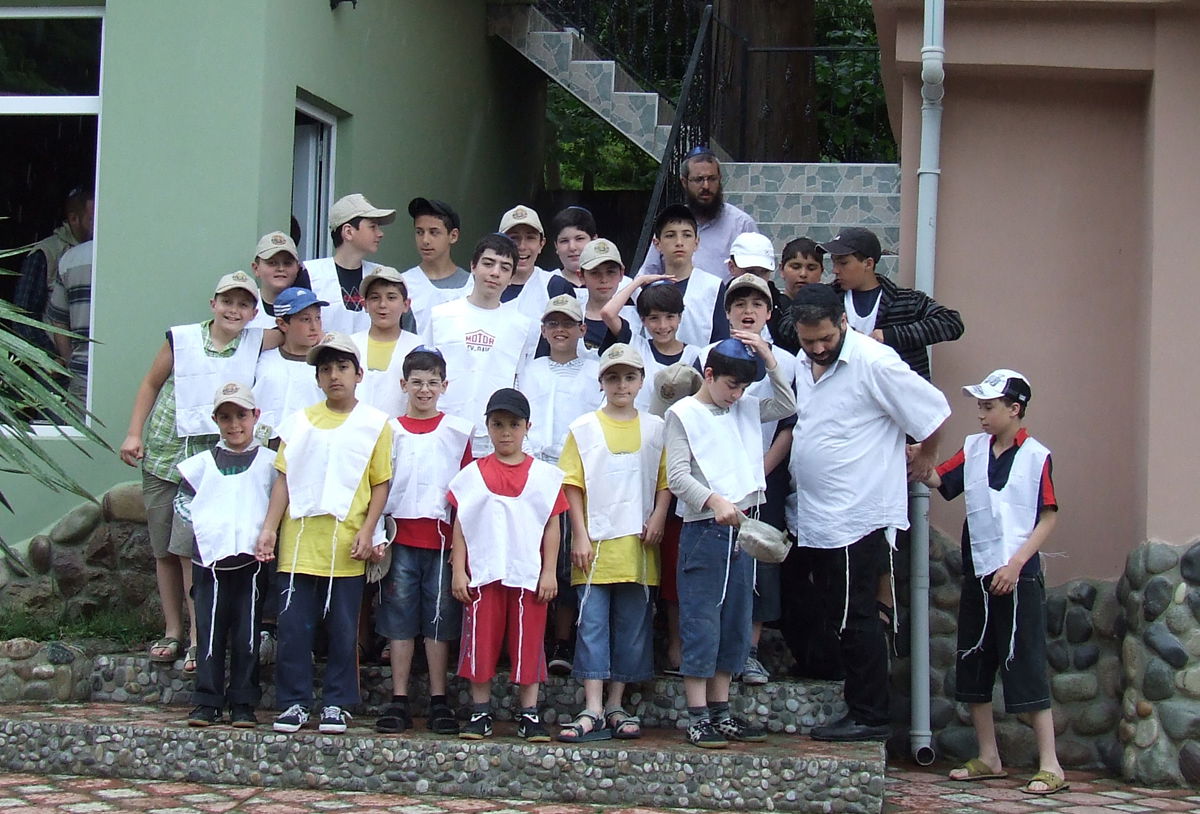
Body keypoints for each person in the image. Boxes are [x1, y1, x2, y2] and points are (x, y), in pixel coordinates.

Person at [787, 284, 950, 742]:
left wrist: (925, 457)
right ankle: (850, 698)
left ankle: (870, 715)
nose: (818, 348)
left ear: (844, 322)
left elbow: (934, 411)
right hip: (816, 513)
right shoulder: (805, 360)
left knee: (855, 615)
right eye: (808, 340)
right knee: (827, 609)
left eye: (825, 339)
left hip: (856, 512)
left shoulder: (874, 362)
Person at [119, 271, 277, 675]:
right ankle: (172, 629)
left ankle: (196, 638)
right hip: (165, 455)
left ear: (253, 311)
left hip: (211, 464)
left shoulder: (255, 341)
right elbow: (151, 383)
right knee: (163, 550)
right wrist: (134, 433)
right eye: (228, 301)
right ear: (213, 303)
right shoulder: (182, 338)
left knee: (195, 548)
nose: (234, 310)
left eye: (244, 304)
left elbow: (293, 334)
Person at [918, 370, 1066, 796]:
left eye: (989, 407)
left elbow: (1048, 514)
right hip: (978, 570)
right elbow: (939, 479)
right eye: (980, 407)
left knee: (1025, 662)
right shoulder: (973, 449)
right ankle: (989, 755)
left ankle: (1050, 763)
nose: (981, 415)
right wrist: (915, 458)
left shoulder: (1038, 455)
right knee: (975, 659)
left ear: (1013, 408)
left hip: (1019, 576)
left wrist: (1017, 563)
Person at [255, 331, 394, 735]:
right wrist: (269, 528)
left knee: (343, 629)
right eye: (327, 369)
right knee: (294, 628)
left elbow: (381, 482)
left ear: (359, 374)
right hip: (299, 545)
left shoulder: (374, 424)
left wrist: (369, 531)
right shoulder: (297, 424)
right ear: (317, 378)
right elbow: (283, 479)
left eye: (343, 367)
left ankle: (337, 702)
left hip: (345, 546)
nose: (335, 376)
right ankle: (294, 701)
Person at [665, 333, 796, 748]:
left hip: (745, 528)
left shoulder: (744, 407)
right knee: (702, 620)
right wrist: (713, 498)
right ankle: (698, 713)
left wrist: (767, 357)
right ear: (709, 374)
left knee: (735, 621)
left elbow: (788, 406)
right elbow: (678, 476)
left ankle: (722, 709)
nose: (736, 394)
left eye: (742, 387)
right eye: (730, 385)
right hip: (705, 529)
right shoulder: (683, 413)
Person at [556, 344, 670, 743]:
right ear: (601, 381)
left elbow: (665, 480)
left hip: (639, 545)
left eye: (629, 377)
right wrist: (580, 535)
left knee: (632, 626)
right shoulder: (583, 427)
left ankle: (617, 702)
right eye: (612, 377)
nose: (621, 385)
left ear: (641, 381)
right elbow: (571, 484)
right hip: (595, 545)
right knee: (591, 624)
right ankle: (591, 705)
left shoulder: (657, 427)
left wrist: (658, 515)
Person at [449, 388, 567, 742]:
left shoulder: (544, 476)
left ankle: (529, 713)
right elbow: (461, 523)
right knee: (480, 642)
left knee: (528, 642)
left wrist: (548, 571)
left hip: (527, 573)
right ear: (487, 426)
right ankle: (480, 710)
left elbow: (552, 524)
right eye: (498, 424)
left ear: (527, 427)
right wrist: (459, 569)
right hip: (484, 573)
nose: (505, 432)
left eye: (514, 424)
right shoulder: (472, 474)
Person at [700, 274, 799, 686]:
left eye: (757, 304)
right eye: (739, 303)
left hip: (763, 477)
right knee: (715, 563)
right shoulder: (706, 356)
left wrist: (760, 469)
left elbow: (789, 422)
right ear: (726, 312)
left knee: (760, 561)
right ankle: (710, 653)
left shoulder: (787, 362)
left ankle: (751, 651)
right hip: (715, 483)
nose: (747, 311)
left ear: (770, 312)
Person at [375, 346, 474, 736]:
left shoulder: (457, 431)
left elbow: (466, 493)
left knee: (438, 619)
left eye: (432, 382)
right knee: (399, 617)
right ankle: (398, 698)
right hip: (399, 538)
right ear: (403, 384)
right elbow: (379, 484)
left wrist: (460, 554)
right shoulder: (389, 430)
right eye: (416, 382)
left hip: (442, 541)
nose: (424, 389)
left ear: (444, 386)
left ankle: (438, 698)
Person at [176, 382, 276, 728]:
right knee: (210, 630)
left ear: (255, 417)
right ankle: (207, 699)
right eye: (227, 417)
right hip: (210, 561)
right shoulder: (201, 464)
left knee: (248, 632)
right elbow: (183, 502)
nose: (235, 425)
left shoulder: (269, 464)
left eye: (242, 416)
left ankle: (244, 702)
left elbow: (279, 505)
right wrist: (208, 526)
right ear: (216, 420)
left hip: (251, 561)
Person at [518, 295, 604, 675]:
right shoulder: (531, 370)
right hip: (535, 470)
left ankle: (563, 639)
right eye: (552, 323)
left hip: (575, 475)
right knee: (533, 555)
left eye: (567, 323)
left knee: (569, 558)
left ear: (582, 329)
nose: (560, 330)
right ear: (543, 329)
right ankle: (530, 636)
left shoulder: (595, 370)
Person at [423, 234, 535, 457]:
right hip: (442, 433)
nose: (495, 272)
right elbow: (422, 371)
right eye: (488, 263)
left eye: (505, 268)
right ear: (473, 266)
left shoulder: (522, 327)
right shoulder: (441, 315)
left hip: (492, 440)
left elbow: (521, 383)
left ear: (512, 277)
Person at [822, 226, 963, 380]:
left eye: (843, 263)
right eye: (834, 262)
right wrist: (844, 335)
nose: (835, 270)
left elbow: (952, 323)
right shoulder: (826, 299)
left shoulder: (907, 300)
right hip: (846, 393)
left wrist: (890, 336)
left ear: (868, 264)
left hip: (900, 396)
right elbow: (792, 325)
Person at [637, 148, 755, 281]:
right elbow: (645, 276)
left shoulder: (742, 224)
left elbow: (756, 276)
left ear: (720, 179)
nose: (706, 186)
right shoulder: (671, 224)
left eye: (712, 179)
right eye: (698, 179)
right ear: (684, 182)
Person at [11, 184, 94, 353]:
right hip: (56, 365)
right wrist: (48, 355)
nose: (98, 224)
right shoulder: (46, 253)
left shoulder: (104, 253)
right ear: (73, 219)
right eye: (92, 219)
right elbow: (21, 315)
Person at [601, 277, 701, 413]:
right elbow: (608, 313)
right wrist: (639, 282)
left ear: (680, 317)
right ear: (642, 320)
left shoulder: (695, 355)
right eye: (654, 318)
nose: (663, 325)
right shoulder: (635, 346)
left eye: (670, 317)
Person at [639, 204, 729, 348]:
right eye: (670, 235)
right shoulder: (648, 288)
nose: (679, 243)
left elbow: (721, 341)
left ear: (696, 242)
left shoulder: (712, 286)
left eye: (686, 235)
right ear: (657, 244)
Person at [305, 194, 396, 335]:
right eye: (373, 227)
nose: (380, 234)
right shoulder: (310, 274)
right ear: (348, 232)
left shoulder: (382, 274)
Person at [252, 286, 327, 445]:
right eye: (305, 319)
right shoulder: (263, 361)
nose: (314, 326)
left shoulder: (327, 362)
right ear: (283, 324)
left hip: (313, 445)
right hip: (267, 447)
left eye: (318, 318)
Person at [350, 266, 420, 417]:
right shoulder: (350, 345)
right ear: (365, 305)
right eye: (375, 297)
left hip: (399, 434)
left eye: (391, 297)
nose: (383, 305)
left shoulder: (418, 348)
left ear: (406, 305)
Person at [401, 197, 470, 334]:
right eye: (419, 232)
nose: (425, 240)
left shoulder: (472, 284)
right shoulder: (403, 284)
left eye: (434, 232)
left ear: (453, 236)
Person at [44, 238, 94, 402]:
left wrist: (70, 362)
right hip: (135, 372)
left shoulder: (71, 259)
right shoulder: (141, 256)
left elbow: (59, 323)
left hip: (81, 376)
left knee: (81, 428)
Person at [767, 237, 826, 356]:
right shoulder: (770, 307)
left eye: (811, 268)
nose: (803, 274)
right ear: (781, 270)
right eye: (795, 267)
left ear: (821, 272)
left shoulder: (830, 308)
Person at [578, 238, 638, 351]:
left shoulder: (636, 318)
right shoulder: (570, 314)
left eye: (610, 272)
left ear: (621, 274)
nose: (604, 280)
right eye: (595, 273)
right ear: (581, 276)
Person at [247, 232, 312, 329]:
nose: (281, 268)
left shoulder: (310, 308)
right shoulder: (244, 307)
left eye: (287, 263)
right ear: (256, 268)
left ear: (298, 268)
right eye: (272, 263)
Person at [548, 205, 597, 298]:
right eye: (564, 241)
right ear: (556, 246)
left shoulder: (619, 285)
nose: (572, 247)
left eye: (579, 239)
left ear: (594, 240)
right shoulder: (545, 283)